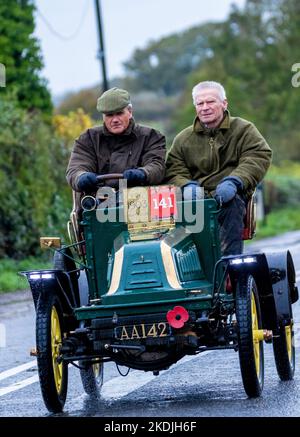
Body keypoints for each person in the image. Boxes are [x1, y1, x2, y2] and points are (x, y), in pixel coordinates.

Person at [165, 81, 272, 255]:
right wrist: (186, 186)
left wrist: (235, 180)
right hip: (196, 201)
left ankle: (230, 265)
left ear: (224, 103)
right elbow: (173, 168)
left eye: (211, 102)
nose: (205, 107)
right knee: (180, 216)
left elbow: (258, 156)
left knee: (232, 204)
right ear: (196, 107)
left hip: (231, 197)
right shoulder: (183, 138)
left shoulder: (244, 129)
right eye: (200, 103)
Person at [66, 87, 166, 199]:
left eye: (119, 113)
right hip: (97, 205)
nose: (115, 120)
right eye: (109, 115)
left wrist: (143, 173)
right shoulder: (88, 139)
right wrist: (81, 177)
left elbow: (157, 166)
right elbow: (75, 169)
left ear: (130, 112)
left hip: (139, 203)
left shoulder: (151, 137)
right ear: (103, 116)